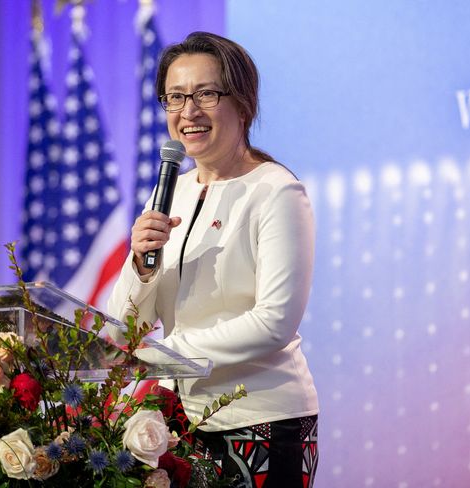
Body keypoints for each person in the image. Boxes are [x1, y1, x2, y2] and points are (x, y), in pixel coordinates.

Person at [108, 31, 318, 488]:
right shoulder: (172, 191)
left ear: (242, 103)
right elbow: (123, 327)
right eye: (175, 98)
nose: (188, 113)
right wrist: (141, 266)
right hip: (178, 425)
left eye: (205, 94)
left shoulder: (275, 191)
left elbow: (274, 321)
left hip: (260, 422)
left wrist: (165, 356)